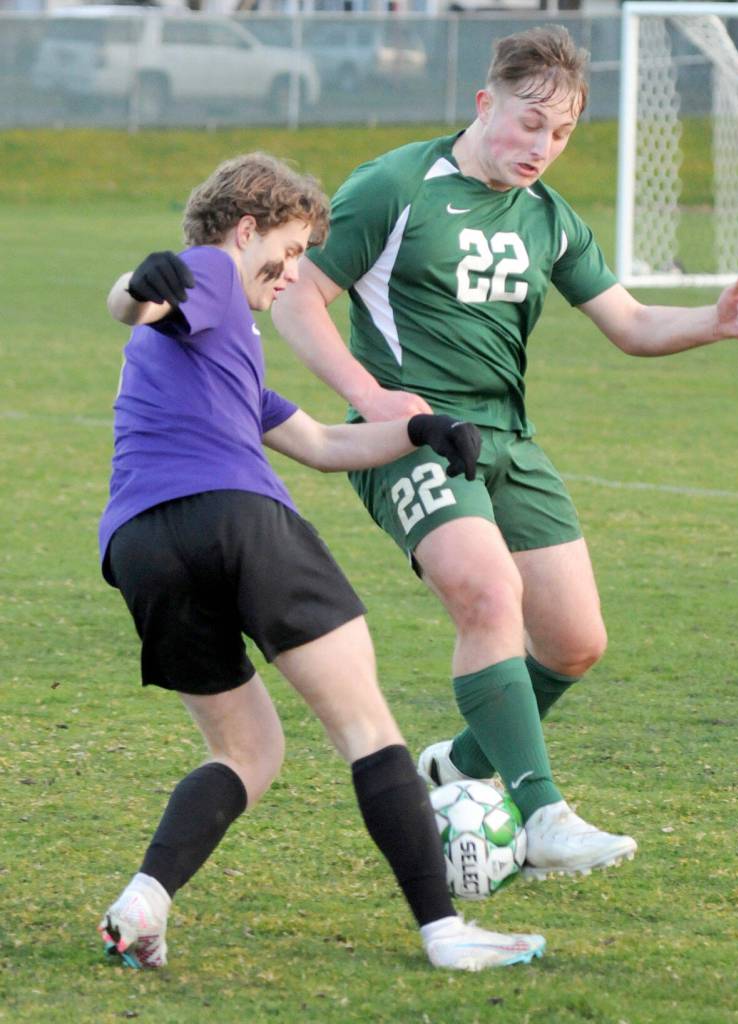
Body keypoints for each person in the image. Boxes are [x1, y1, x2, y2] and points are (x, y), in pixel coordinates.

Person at [270, 26, 738, 881]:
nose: (542, 146)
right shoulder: (394, 186)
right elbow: (296, 296)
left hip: (510, 441)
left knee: (574, 642)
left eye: (562, 132)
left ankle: (459, 766)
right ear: (484, 103)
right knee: (488, 591)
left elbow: (630, 322)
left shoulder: (548, 217)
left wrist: (710, 325)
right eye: (528, 122)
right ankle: (540, 816)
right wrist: (370, 395)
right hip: (414, 440)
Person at [96, 152, 547, 973]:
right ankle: (446, 932)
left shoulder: (217, 352)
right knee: (367, 726)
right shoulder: (208, 274)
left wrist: (419, 431)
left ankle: (144, 901)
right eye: (293, 250)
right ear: (245, 230)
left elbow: (319, 442)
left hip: (141, 548)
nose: (293, 272)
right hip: (238, 519)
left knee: (246, 753)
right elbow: (137, 298)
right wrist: (138, 279)